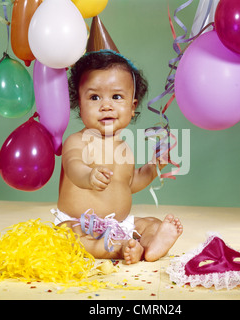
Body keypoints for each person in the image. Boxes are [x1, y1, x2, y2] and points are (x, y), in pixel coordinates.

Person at [53, 50, 183, 264]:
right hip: (79, 224)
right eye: (94, 97)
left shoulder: (125, 148)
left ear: (132, 107)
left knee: (151, 222)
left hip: (117, 224)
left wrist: (153, 167)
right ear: (79, 103)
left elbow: (129, 183)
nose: (106, 105)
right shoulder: (77, 142)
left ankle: (151, 242)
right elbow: (73, 165)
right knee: (68, 238)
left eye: (116, 97)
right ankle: (120, 248)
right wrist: (88, 176)